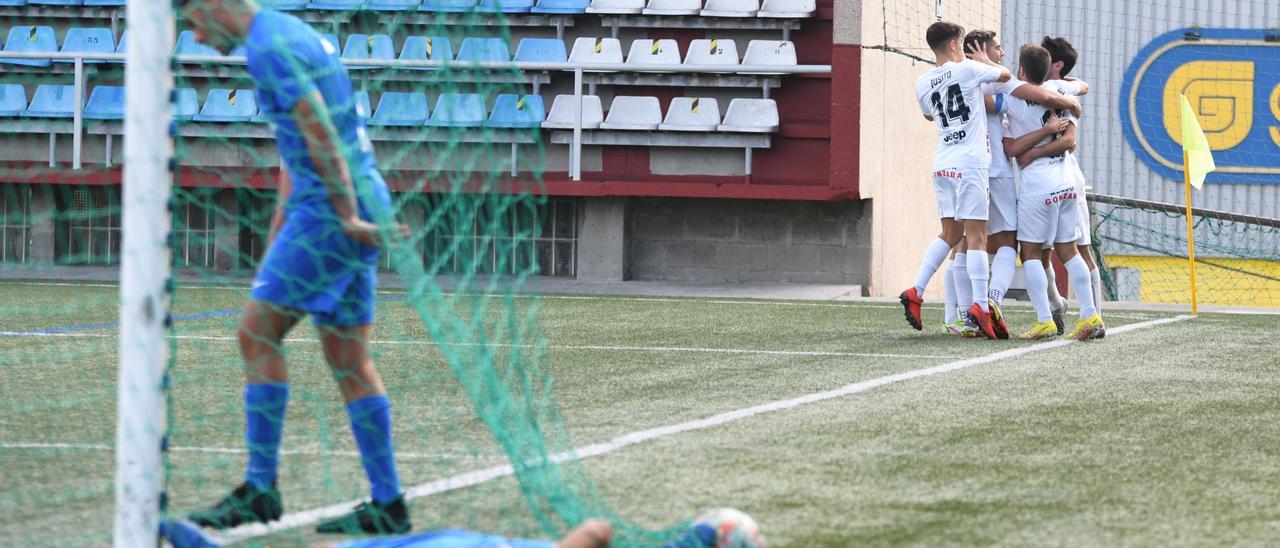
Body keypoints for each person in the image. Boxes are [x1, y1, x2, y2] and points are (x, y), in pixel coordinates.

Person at [180, 0, 412, 534]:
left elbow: (318, 133)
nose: (193, 36)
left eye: (190, 20)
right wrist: (283, 227)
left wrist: (344, 214)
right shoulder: (295, 33)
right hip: (355, 195)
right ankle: (388, 504)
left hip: (330, 208)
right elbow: (299, 143)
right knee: (349, 356)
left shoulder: (266, 49)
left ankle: (261, 488)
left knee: (256, 333)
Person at [944, 30, 1080, 338]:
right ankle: (991, 302)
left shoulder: (954, 79)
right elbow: (1045, 95)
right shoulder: (1002, 79)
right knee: (1010, 243)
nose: (1002, 52)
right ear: (980, 51)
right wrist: (1070, 101)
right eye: (996, 48)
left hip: (959, 167)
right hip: (997, 169)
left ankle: (962, 314)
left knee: (962, 242)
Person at [901, 21, 1011, 340]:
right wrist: (985, 61)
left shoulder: (922, 81)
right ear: (953, 45)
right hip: (970, 162)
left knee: (950, 233)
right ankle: (979, 306)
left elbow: (928, 115)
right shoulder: (967, 70)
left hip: (943, 162)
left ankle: (916, 289)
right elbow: (1004, 76)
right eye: (962, 43)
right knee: (977, 237)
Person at [1001, 44, 1104, 341]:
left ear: (1021, 70)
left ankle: (1045, 319)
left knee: (1031, 252)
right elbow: (1080, 86)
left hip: (1039, 183)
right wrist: (1073, 101)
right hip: (1067, 180)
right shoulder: (1058, 87)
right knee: (1068, 249)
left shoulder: (1013, 94)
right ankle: (1090, 315)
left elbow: (1012, 150)